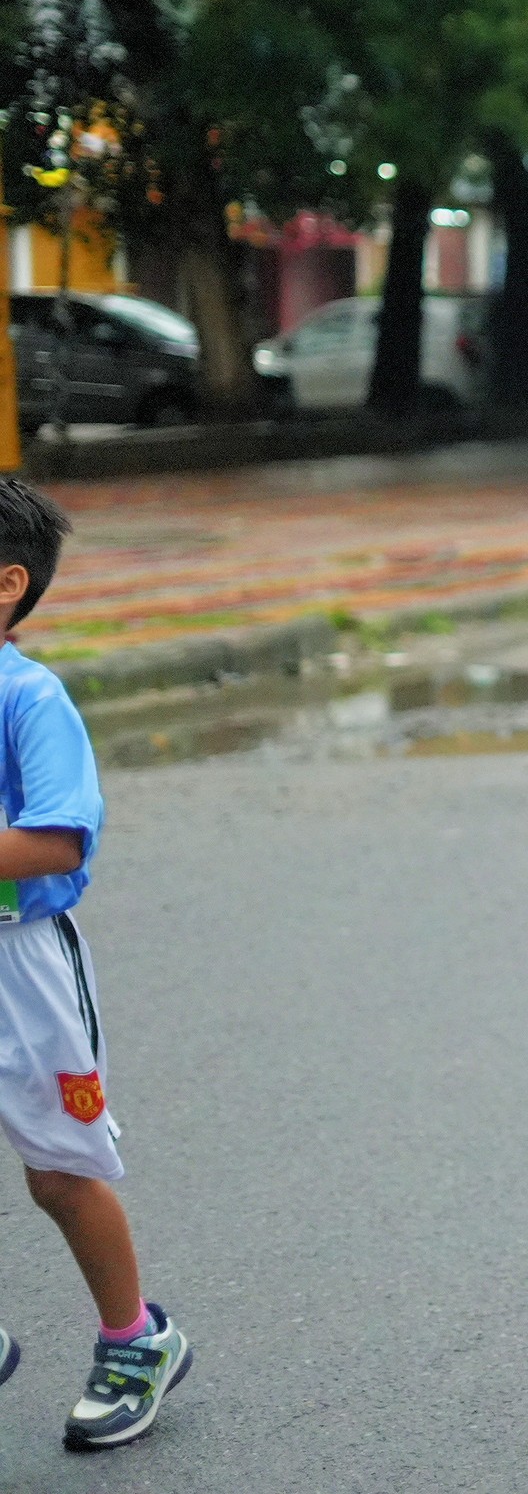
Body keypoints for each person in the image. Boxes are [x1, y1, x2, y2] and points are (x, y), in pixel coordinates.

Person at [0, 481, 193, 1452]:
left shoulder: (29, 698)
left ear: (8, 585)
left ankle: (136, 1340)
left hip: (22, 969)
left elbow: (58, 840)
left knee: (60, 1175)